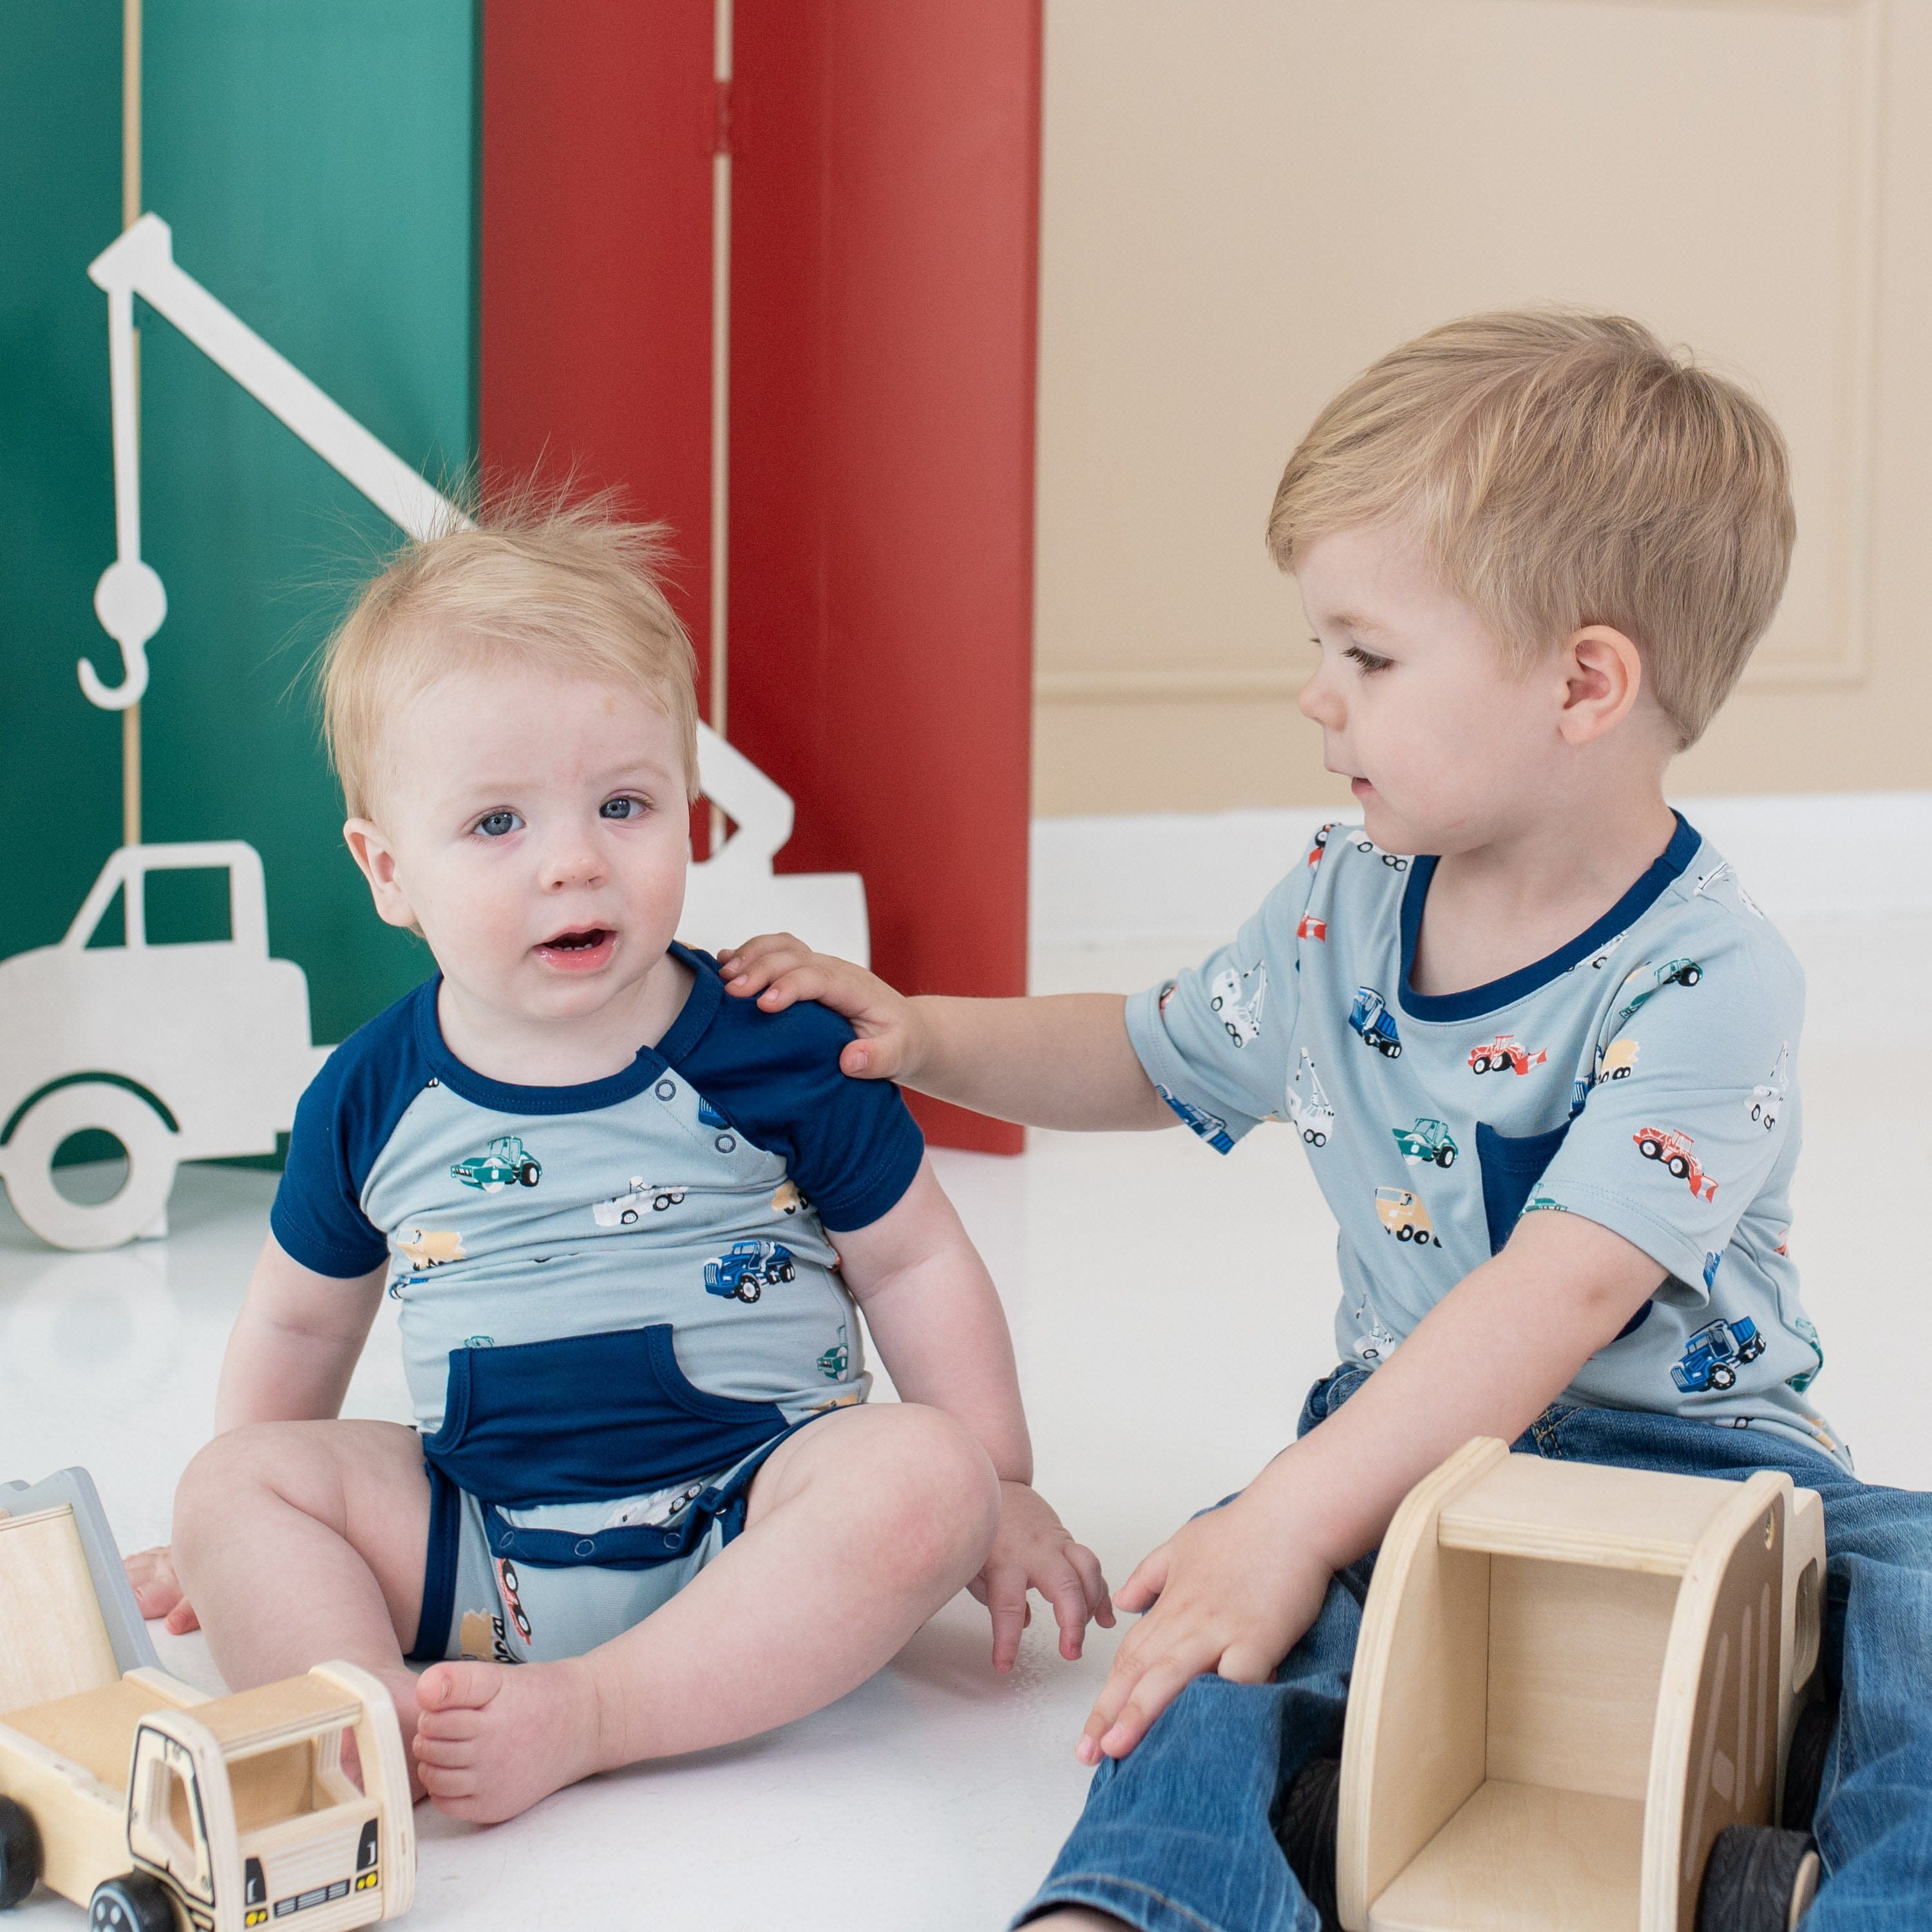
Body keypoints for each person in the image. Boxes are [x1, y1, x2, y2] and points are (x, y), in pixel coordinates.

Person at [719, 312, 1932, 1929]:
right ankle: (1149, 1898)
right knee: (1209, 1636)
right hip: (1399, 1447)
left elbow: (1561, 1289)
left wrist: (1296, 1514)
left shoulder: (1715, 975)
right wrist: (927, 1034)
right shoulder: (1340, 907)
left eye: (1367, 656)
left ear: (1583, 683)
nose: (1316, 697)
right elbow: (1152, 1051)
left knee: (1914, 1598)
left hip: (1709, 1455)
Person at [125, 496, 1110, 1826]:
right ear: (387, 869)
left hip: (753, 1522)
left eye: (624, 804)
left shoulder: (774, 1043)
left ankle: (601, 1713)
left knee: (926, 1475)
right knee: (230, 1485)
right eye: (497, 826)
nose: (575, 863)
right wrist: (232, 1545)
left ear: (691, 819)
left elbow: (919, 1260)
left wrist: (1004, 1489)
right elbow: (300, 1319)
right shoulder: (369, 1092)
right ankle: (362, 1730)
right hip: (476, 1543)